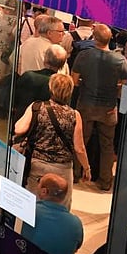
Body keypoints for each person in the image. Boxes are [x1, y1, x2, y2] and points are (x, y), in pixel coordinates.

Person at [13, 74, 91, 209]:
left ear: (51, 88)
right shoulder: (75, 115)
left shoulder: (37, 107)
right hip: (62, 168)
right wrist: (86, 168)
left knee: (33, 207)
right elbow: (79, 148)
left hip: (38, 164)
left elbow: (19, 129)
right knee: (61, 207)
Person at [71, 23, 127, 191]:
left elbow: (74, 81)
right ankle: (105, 181)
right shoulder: (120, 60)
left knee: (80, 140)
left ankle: (75, 174)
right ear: (110, 38)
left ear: (94, 38)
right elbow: (125, 85)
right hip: (109, 108)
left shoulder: (83, 55)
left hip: (86, 105)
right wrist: (114, 86)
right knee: (107, 145)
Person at [13, 173, 83, 254]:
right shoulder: (76, 223)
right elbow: (76, 247)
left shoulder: (26, 212)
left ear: (44, 191)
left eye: (39, 182)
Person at [11, 44, 67, 122]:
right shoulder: (61, 84)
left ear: (45, 59)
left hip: (22, 120)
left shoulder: (28, 76)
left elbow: (14, 98)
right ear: (63, 64)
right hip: (46, 124)